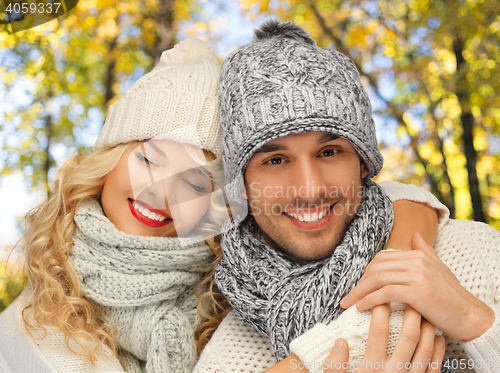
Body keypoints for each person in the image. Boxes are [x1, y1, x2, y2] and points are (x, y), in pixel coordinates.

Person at [194, 20, 500, 373]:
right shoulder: (228, 355)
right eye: (275, 160)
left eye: (329, 152)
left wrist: (480, 325)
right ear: (242, 185)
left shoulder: (474, 254)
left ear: (363, 163)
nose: (310, 189)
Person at [0, 38, 235, 373]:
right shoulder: (27, 324)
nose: (161, 192)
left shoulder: (233, 312)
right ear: (108, 163)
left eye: (194, 182)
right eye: (149, 160)